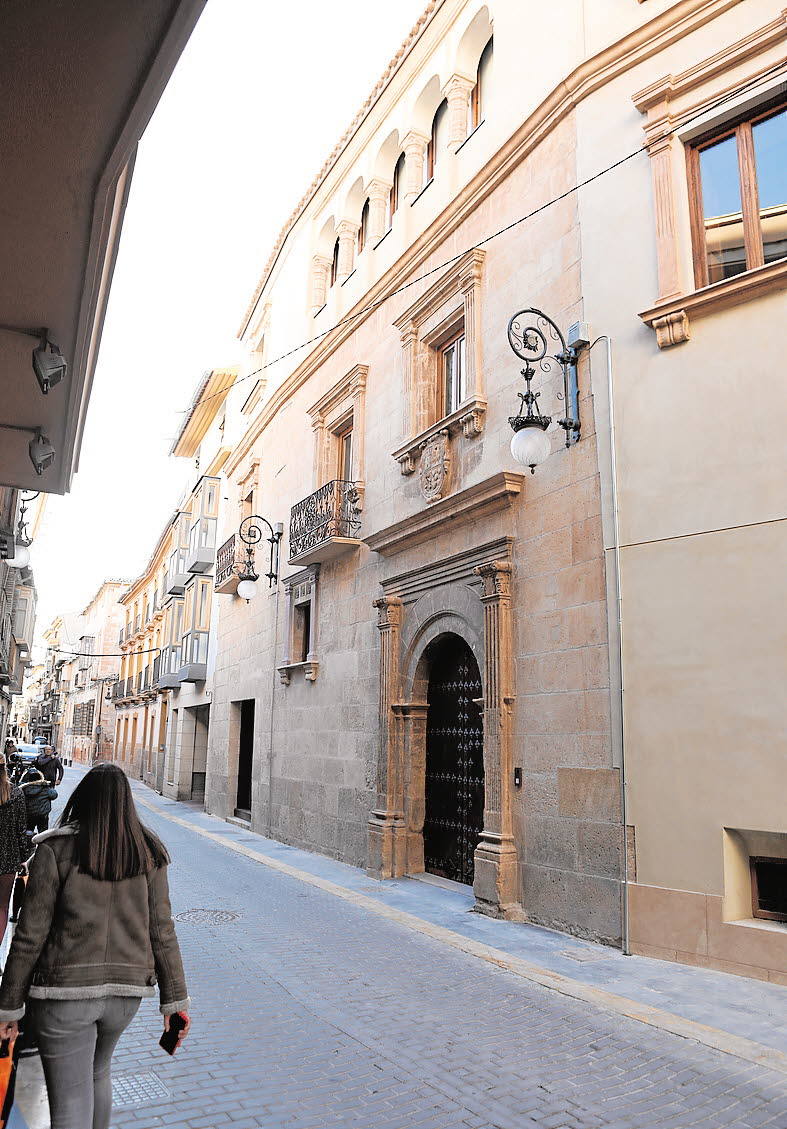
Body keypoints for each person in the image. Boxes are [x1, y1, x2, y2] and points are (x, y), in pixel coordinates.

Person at [0, 763, 191, 1129]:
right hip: (125, 997)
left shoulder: (55, 850)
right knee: (98, 1074)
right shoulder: (149, 852)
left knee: (71, 1096)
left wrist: (9, 1007)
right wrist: (175, 1002)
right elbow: (162, 931)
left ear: (81, 798)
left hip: (63, 998)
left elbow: (29, 936)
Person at [0, 753, 31, 943]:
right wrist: (24, 857)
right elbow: (21, 828)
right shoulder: (16, 793)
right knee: (2, 908)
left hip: (9, 856)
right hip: (9, 857)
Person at [20, 769, 57, 835]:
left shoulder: (23, 788)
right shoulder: (45, 788)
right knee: (43, 834)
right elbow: (54, 795)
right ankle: (41, 844)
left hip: (29, 815)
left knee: (29, 832)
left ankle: (29, 843)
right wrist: (48, 786)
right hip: (43, 815)